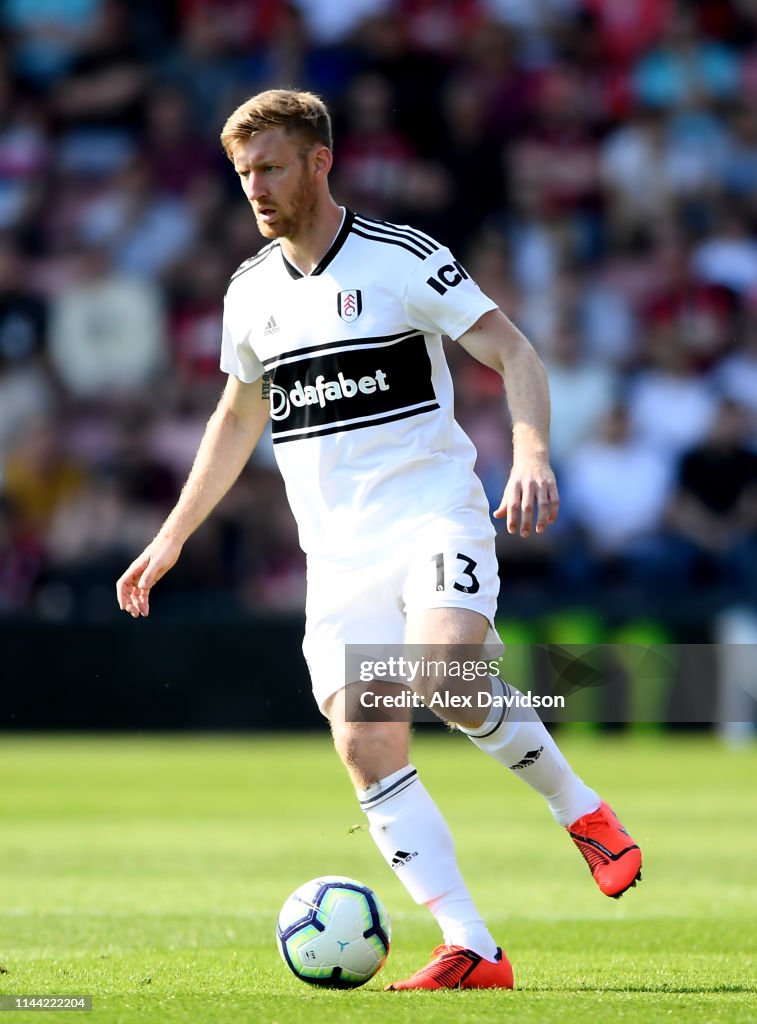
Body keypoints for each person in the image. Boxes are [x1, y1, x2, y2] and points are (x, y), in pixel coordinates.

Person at [116, 89, 642, 991]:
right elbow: (236, 416)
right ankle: (472, 946)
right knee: (365, 745)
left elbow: (514, 353)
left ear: (320, 161)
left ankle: (581, 810)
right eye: (244, 172)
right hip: (338, 555)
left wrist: (530, 456)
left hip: (434, 511)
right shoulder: (249, 295)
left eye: (271, 166)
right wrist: (170, 537)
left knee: (444, 673)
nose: (256, 188)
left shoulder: (402, 259)